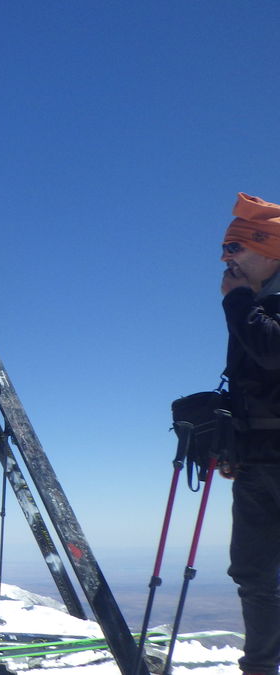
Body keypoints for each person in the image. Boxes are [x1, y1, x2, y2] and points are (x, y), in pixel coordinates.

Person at [219, 192, 280, 675]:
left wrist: (237, 299)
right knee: (253, 574)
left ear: (270, 250)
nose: (226, 260)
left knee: (258, 575)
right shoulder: (254, 306)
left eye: (236, 248)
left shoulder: (250, 307)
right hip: (257, 462)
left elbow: (271, 352)